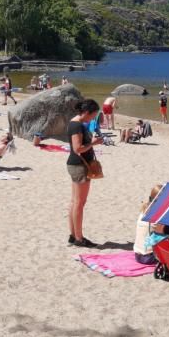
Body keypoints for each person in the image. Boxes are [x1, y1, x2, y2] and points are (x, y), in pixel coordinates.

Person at [67, 99, 103, 248]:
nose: (92, 118)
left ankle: (73, 235)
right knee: (79, 204)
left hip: (76, 165)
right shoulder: (76, 125)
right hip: (79, 166)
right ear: (86, 112)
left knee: (75, 202)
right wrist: (94, 143)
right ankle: (79, 238)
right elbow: (78, 148)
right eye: (92, 115)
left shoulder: (75, 122)